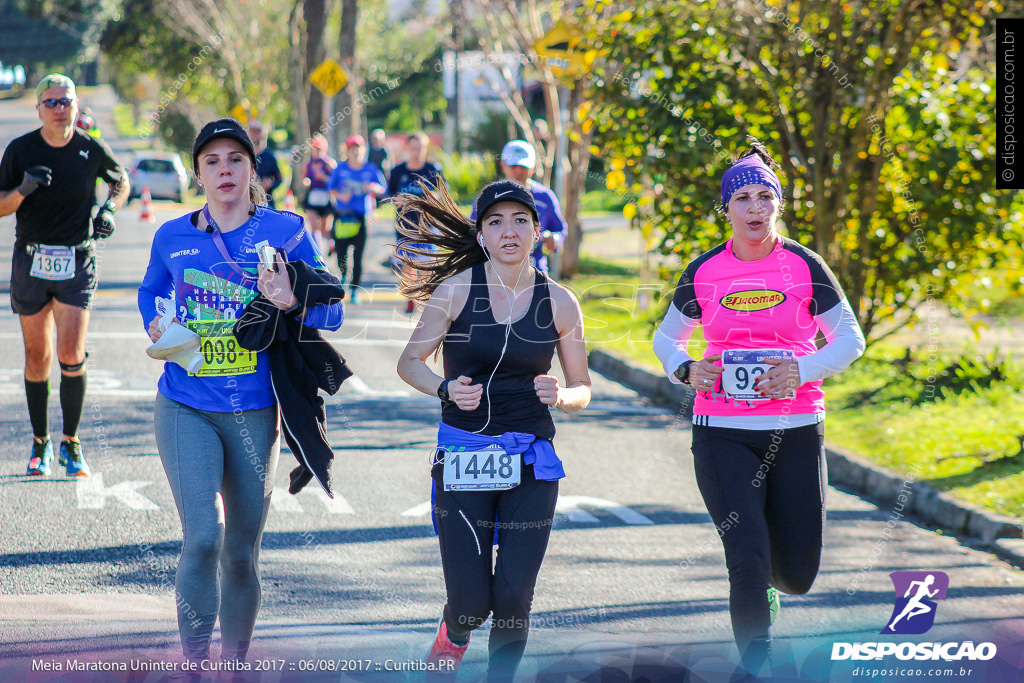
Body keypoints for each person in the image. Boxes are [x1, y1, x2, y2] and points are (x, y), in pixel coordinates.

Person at [137, 118, 343, 675]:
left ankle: (235, 662)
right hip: (185, 403)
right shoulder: (172, 235)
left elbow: (335, 308)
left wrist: (290, 297)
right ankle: (194, 663)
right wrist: (156, 325)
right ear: (198, 173)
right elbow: (151, 291)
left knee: (242, 554)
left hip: (255, 412)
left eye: (235, 160)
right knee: (203, 536)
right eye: (212, 161)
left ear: (252, 169)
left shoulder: (287, 231)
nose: (224, 170)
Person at [653, 140, 865, 677]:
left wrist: (802, 369)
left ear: (778, 205)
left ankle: (775, 590)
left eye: (764, 197)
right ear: (726, 209)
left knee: (795, 573)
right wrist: (684, 368)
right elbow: (666, 339)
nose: (753, 208)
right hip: (721, 427)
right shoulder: (704, 271)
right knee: (746, 556)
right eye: (741, 198)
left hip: (796, 426)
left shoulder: (804, 265)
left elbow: (850, 340)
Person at [395, 179, 592, 682]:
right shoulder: (456, 291)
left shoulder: (562, 302)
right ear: (481, 234)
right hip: (464, 458)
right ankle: (448, 644)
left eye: (521, 220)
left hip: (531, 460)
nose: (510, 231)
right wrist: (445, 390)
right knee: (468, 604)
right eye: (496, 222)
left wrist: (563, 397)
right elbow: (410, 362)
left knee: (512, 600)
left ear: (537, 231)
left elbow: (582, 386)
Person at [0, 73, 129, 478]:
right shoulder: (20, 150)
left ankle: (72, 444)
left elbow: (120, 180)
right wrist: (22, 190)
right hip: (31, 260)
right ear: (38, 108)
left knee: (70, 354)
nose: (59, 109)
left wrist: (108, 210)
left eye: (66, 101)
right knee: (37, 357)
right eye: (51, 102)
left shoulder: (90, 148)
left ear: (76, 105)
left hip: (76, 259)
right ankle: (41, 442)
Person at [471, 140, 567, 275]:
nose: (518, 171)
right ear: (503, 165)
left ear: (533, 167)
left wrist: (555, 239)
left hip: (535, 272)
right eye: (513, 166)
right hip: (495, 275)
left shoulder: (545, 197)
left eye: (523, 167)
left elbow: (560, 228)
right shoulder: (487, 198)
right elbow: (472, 232)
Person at [386, 131, 445, 313]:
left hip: (427, 225)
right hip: (405, 225)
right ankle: (411, 298)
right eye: (413, 148)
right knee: (408, 264)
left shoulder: (433, 170)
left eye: (420, 148)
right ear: (407, 149)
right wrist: (398, 200)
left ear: (425, 149)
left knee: (427, 264)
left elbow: (443, 194)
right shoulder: (398, 171)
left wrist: (431, 197)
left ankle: (425, 298)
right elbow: (390, 195)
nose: (416, 152)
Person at [328, 134, 385, 304]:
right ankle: (344, 275)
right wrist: (340, 195)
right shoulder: (340, 169)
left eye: (359, 148)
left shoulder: (370, 169)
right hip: (343, 217)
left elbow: (383, 189)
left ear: (364, 150)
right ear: (348, 151)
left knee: (359, 256)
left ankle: (354, 290)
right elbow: (330, 189)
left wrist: (373, 187)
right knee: (341, 253)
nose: (356, 152)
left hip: (360, 218)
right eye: (352, 148)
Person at [302, 133, 337, 257]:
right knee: (314, 226)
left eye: (319, 149)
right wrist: (306, 181)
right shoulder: (308, 163)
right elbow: (304, 177)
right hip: (313, 196)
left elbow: (336, 181)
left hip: (326, 197)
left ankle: (331, 244)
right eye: (314, 149)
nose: (316, 152)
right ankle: (317, 253)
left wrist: (325, 178)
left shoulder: (329, 163)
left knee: (325, 229)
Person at [248, 119, 282, 208]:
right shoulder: (242, 155)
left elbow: (279, 179)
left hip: (266, 202)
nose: (255, 135)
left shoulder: (269, 156)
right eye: (252, 131)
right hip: (245, 203)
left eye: (257, 131)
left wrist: (271, 183)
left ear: (262, 134)